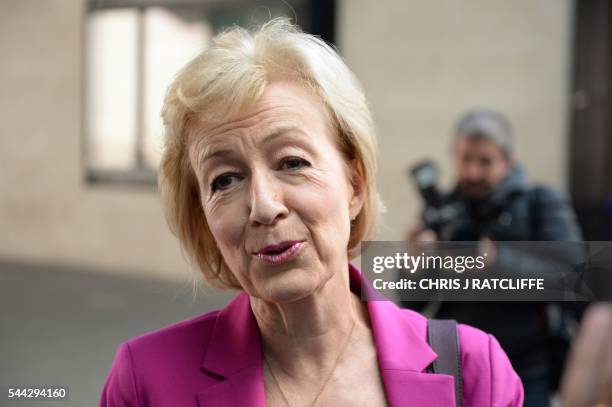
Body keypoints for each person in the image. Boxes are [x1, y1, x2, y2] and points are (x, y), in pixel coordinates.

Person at [99, 20, 523, 406]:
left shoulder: (473, 371)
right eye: (225, 180)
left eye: (292, 162)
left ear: (354, 184)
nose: (264, 206)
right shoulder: (144, 382)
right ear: (203, 219)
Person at [407, 109, 583, 407]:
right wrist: (415, 266)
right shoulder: (443, 214)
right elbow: (413, 304)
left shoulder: (540, 203)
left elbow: (576, 279)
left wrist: (499, 261)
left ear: (507, 160)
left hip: (527, 367)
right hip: (458, 368)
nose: (473, 172)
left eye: (485, 161)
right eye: (465, 159)